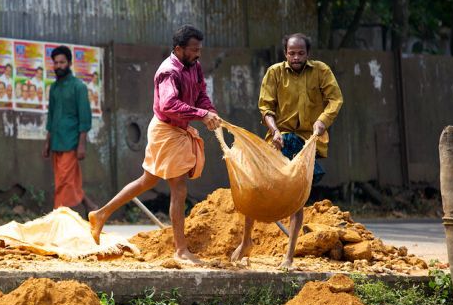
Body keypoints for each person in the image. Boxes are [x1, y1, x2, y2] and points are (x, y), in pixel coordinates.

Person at [89, 25, 221, 263]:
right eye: (193, 50)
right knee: (179, 188)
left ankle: (100, 214)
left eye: (199, 49)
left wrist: (209, 111)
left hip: (175, 130)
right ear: (179, 49)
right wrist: (201, 115)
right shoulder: (168, 71)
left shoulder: (195, 66)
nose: (198, 54)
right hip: (166, 131)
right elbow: (169, 105)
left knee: (147, 181)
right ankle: (181, 250)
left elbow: (201, 93)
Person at [231, 33, 343, 269]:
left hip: (307, 142)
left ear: (307, 53)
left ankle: (288, 256)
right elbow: (265, 106)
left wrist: (322, 121)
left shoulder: (321, 71)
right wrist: (274, 131)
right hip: (278, 140)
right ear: (285, 54)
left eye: (301, 53)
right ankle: (246, 241)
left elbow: (335, 99)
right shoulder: (274, 72)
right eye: (292, 53)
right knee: (255, 187)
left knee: (296, 199)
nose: (296, 57)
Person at [42, 45, 98, 212]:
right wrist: (47, 142)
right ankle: (91, 207)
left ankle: (58, 215)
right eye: (56, 63)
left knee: (65, 182)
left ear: (69, 63)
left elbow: (85, 117)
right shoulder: (54, 88)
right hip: (56, 142)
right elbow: (51, 116)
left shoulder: (78, 87)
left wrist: (81, 144)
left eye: (62, 62)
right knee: (63, 180)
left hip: (71, 142)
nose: (58, 66)